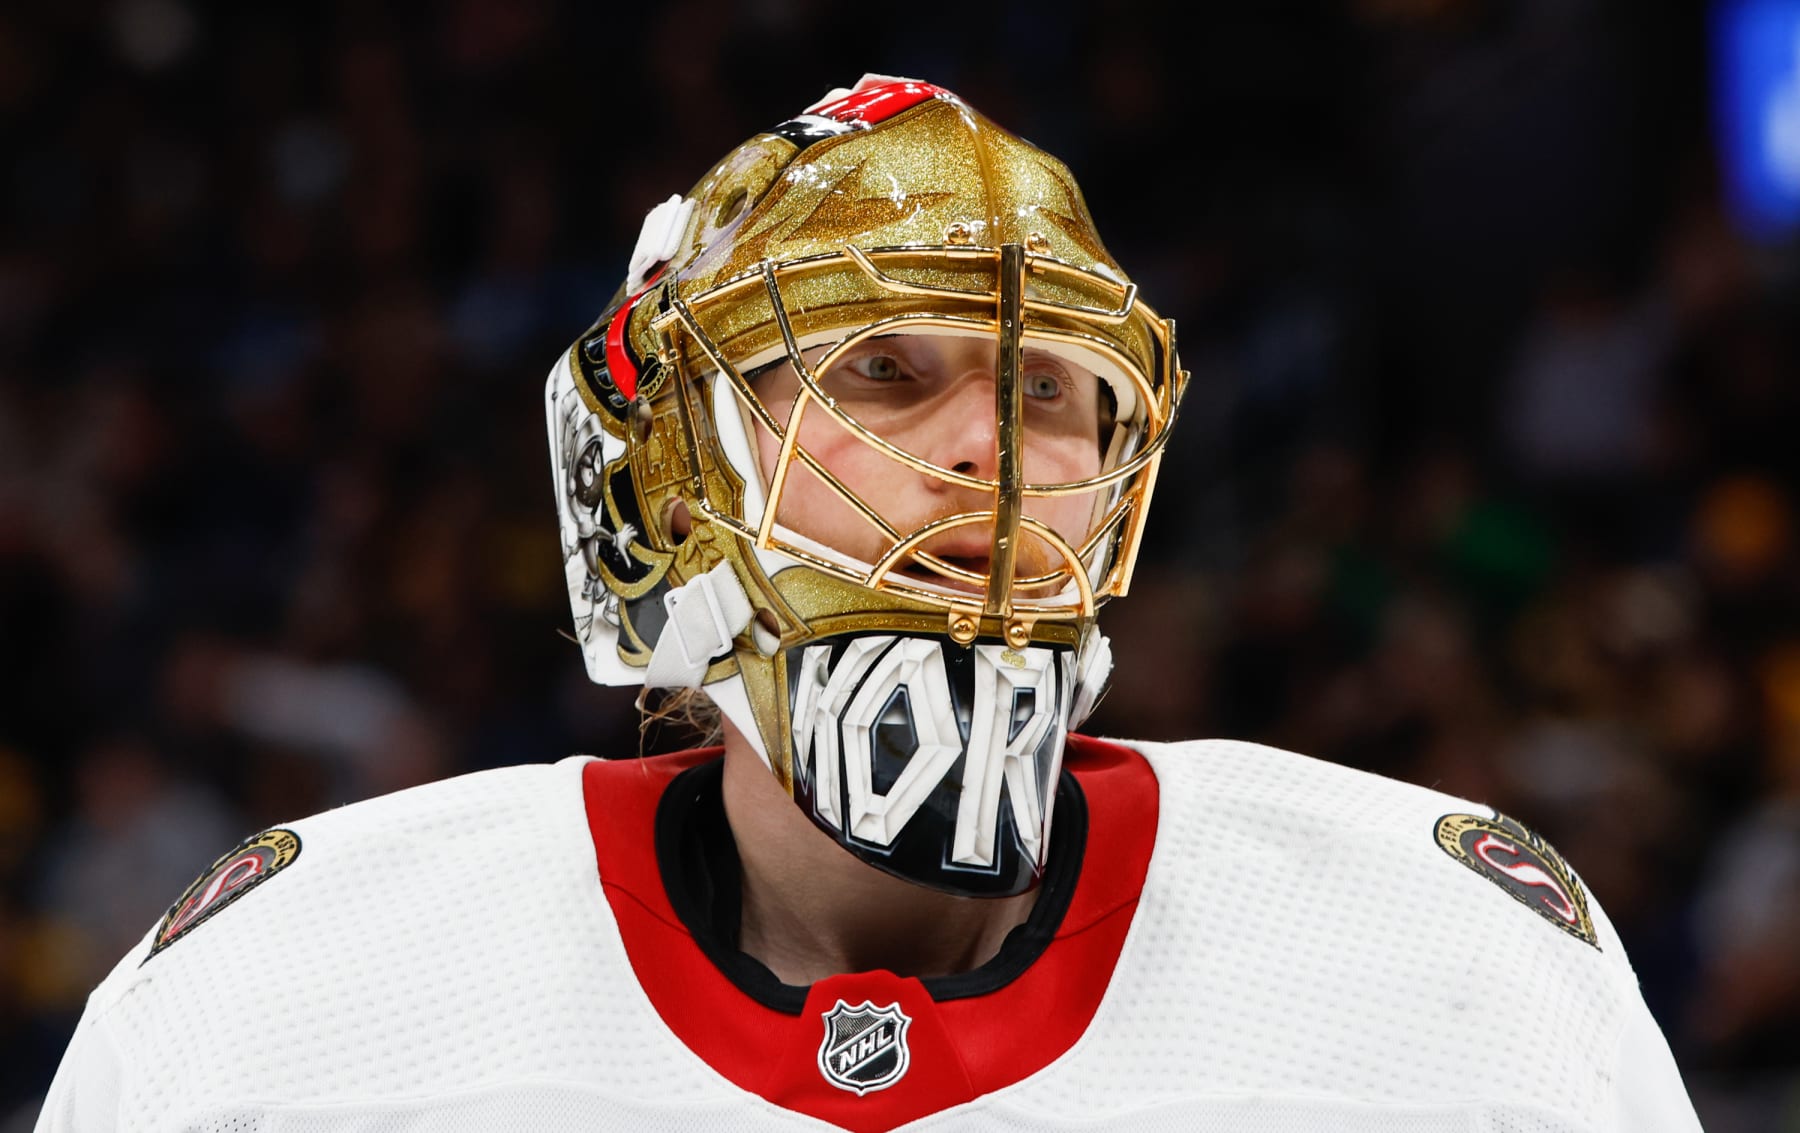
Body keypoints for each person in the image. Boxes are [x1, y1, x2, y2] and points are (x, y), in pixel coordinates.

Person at [37, 76, 1700, 1132]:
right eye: (884, 370)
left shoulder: (1461, 965)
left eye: (1055, 393)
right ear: (666, 471)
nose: (990, 447)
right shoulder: (283, 996)